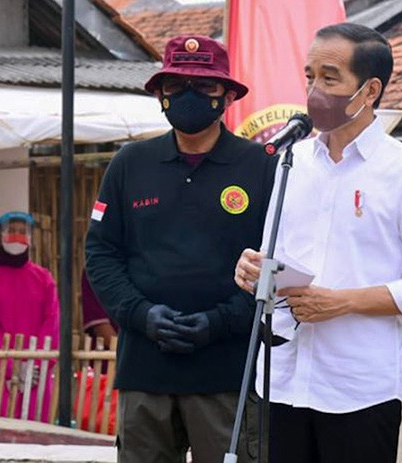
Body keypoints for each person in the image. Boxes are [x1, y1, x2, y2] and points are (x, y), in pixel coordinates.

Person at [234, 23, 402, 463]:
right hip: (281, 376)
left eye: (329, 78)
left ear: (370, 90)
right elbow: (273, 258)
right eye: (309, 76)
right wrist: (253, 270)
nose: (315, 90)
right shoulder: (291, 163)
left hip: (358, 387)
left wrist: (344, 303)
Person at [85, 35, 278, 463]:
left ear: (227, 95)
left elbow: (277, 265)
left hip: (229, 371)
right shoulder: (129, 164)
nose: (188, 96)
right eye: (175, 86)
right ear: (159, 95)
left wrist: (220, 321)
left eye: (205, 86)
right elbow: (100, 254)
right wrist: (141, 314)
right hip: (145, 371)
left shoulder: (262, 165)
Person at [0, 211, 59, 422]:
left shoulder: (44, 279)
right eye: (11, 231)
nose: (17, 236)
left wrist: (35, 364)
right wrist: (11, 369)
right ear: (1, 235)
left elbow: (52, 323)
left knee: (39, 436)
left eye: (22, 231)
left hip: (37, 373)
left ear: (30, 237)